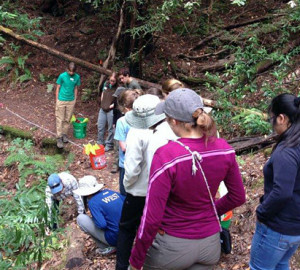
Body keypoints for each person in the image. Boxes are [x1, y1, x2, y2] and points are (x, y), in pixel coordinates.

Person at [129, 88, 246, 270]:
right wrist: (211, 211)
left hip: (171, 247)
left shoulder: (166, 155)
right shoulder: (224, 149)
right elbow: (238, 196)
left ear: (174, 121)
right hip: (210, 245)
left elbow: (151, 218)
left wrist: (136, 260)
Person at [250, 93, 300, 270]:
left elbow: (282, 193)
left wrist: (262, 211)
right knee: (281, 264)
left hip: (278, 228)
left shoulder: (287, 151)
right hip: (294, 228)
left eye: (272, 119)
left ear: (281, 118)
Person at [115, 94, 166, 270]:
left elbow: (131, 169)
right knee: (157, 227)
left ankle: (122, 266)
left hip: (138, 191)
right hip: (162, 192)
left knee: (127, 228)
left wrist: (129, 186)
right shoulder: (169, 130)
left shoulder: (136, 133)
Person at [74, 176, 125, 255]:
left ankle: (105, 247)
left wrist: (94, 219)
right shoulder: (111, 192)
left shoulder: (93, 202)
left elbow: (102, 225)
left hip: (115, 238)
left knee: (81, 219)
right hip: (129, 232)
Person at [114, 89, 144, 195]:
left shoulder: (121, 121)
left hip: (126, 163)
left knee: (124, 192)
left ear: (125, 108)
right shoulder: (144, 118)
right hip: (143, 161)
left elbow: (123, 147)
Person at [55, 62, 81, 148]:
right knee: (60, 118)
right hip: (61, 99)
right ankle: (59, 137)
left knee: (67, 118)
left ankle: (64, 134)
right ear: (67, 69)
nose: (71, 73)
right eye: (70, 71)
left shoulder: (77, 77)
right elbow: (58, 87)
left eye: (73, 72)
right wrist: (57, 99)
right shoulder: (62, 76)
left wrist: (75, 99)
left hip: (71, 100)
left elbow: (76, 88)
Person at [97, 72, 118, 152]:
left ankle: (109, 144)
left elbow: (118, 100)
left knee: (110, 128)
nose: (111, 82)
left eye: (113, 81)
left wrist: (113, 105)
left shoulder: (117, 88)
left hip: (111, 110)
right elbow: (102, 92)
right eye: (110, 80)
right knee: (100, 126)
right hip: (102, 109)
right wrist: (102, 102)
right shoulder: (106, 84)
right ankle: (100, 142)